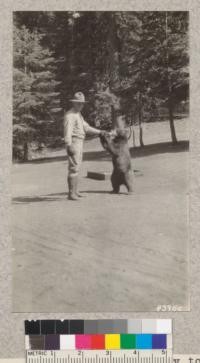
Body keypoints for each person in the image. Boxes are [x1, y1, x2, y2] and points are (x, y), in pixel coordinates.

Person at [64, 91, 103, 201]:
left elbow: (86, 127)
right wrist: (68, 145)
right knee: (73, 168)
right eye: (78, 103)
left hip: (80, 142)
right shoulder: (70, 115)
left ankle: (75, 191)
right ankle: (71, 194)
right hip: (74, 142)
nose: (81, 105)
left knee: (77, 167)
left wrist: (100, 132)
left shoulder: (78, 115)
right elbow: (67, 131)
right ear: (74, 103)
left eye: (82, 103)